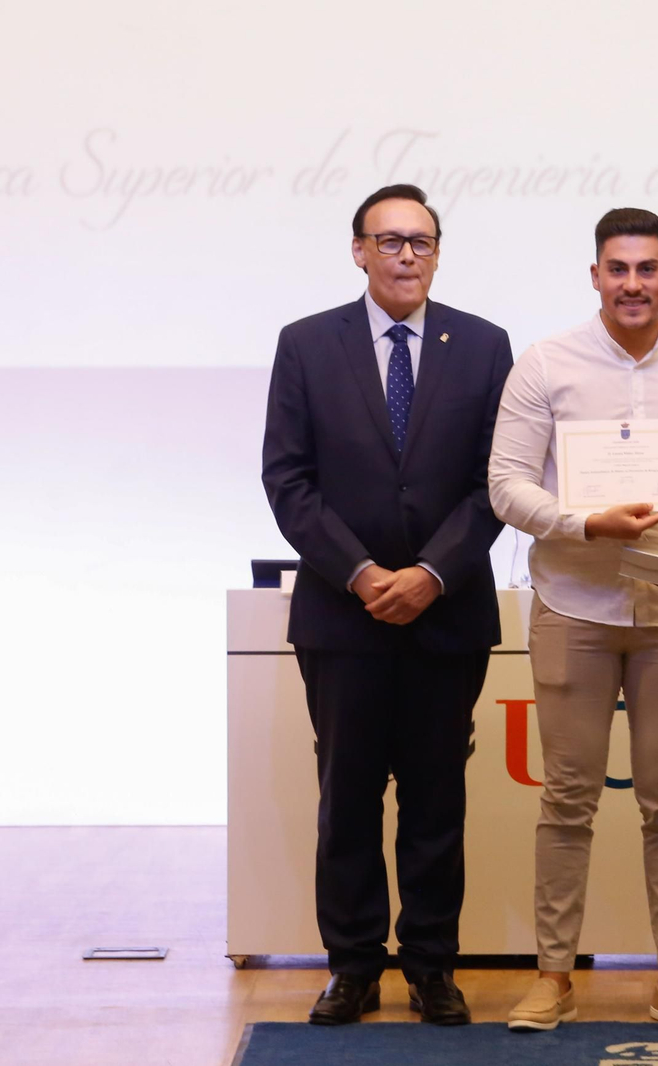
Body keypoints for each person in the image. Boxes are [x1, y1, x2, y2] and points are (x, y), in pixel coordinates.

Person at [488, 208, 658, 1032]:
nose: (633, 284)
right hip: (573, 607)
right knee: (567, 800)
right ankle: (554, 977)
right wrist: (585, 525)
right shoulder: (546, 363)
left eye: (648, 269)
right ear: (596, 276)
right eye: (619, 269)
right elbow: (506, 484)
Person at [261, 183, 513, 1026]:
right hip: (344, 616)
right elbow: (287, 479)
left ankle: (432, 966)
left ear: (437, 253)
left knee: (437, 801)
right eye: (390, 240)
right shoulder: (306, 344)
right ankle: (354, 966)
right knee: (349, 798)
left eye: (421, 241)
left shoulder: (483, 345)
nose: (407, 255)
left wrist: (432, 573)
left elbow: (496, 482)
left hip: (447, 613)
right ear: (359, 251)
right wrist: (362, 573)